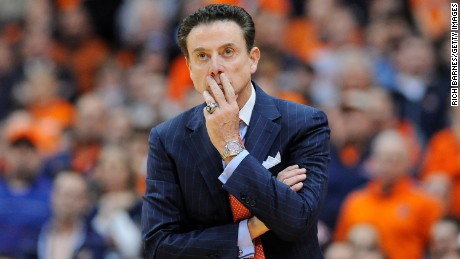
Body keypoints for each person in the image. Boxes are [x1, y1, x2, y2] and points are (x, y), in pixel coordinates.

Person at [141, 4, 330, 259]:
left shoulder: (304, 123)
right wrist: (252, 227)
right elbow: (159, 245)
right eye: (202, 56)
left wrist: (232, 146)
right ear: (188, 67)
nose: (215, 67)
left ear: (252, 59)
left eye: (227, 52)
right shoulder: (167, 139)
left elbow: (297, 220)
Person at [334, 129, 442, 259]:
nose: (389, 165)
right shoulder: (356, 201)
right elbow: (341, 245)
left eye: (396, 159)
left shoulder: (425, 202)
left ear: (407, 161)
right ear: (373, 161)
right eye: (384, 159)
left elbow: (437, 249)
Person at [37, 172, 107, 259]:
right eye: (65, 195)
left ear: (85, 202)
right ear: (52, 196)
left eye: (76, 197)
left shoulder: (95, 242)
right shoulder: (33, 235)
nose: (68, 202)